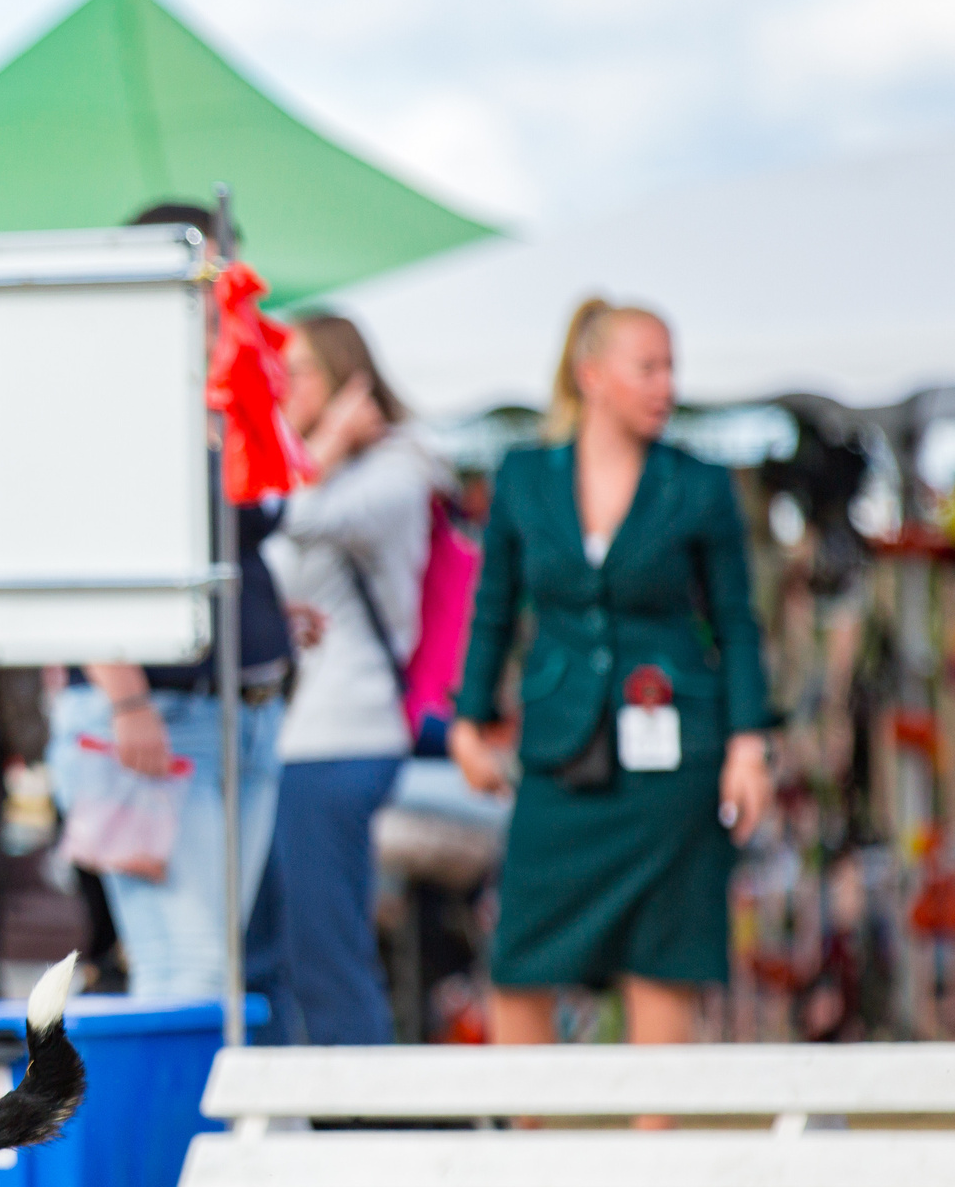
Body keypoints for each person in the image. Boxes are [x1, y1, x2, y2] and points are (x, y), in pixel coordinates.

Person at [449, 298, 773, 1060]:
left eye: (671, 368)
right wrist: (468, 720)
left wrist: (749, 743)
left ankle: (652, 1164)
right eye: (647, 367)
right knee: (521, 950)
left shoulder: (696, 483)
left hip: (673, 753)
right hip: (562, 743)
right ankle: (522, 1158)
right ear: (591, 374)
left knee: (662, 954)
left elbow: (737, 621)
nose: (666, 385)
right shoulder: (526, 477)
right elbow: (493, 609)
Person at [55, 201, 290, 1002]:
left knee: (213, 964)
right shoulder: (104, 397)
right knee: (185, 969)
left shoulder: (220, 395)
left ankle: (196, 1129)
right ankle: (182, 1132)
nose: (234, 297)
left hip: (240, 709)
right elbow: (68, 550)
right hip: (159, 714)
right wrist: (126, 698)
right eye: (213, 279)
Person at [258, 313, 449, 1044]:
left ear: (346, 378)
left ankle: (363, 1127)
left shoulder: (398, 467)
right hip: (292, 736)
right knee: (282, 950)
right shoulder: (305, 460)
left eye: (299, 369)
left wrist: (330, 441)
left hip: (343, 734)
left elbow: (296, 517)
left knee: (329, 953)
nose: (282, 386)